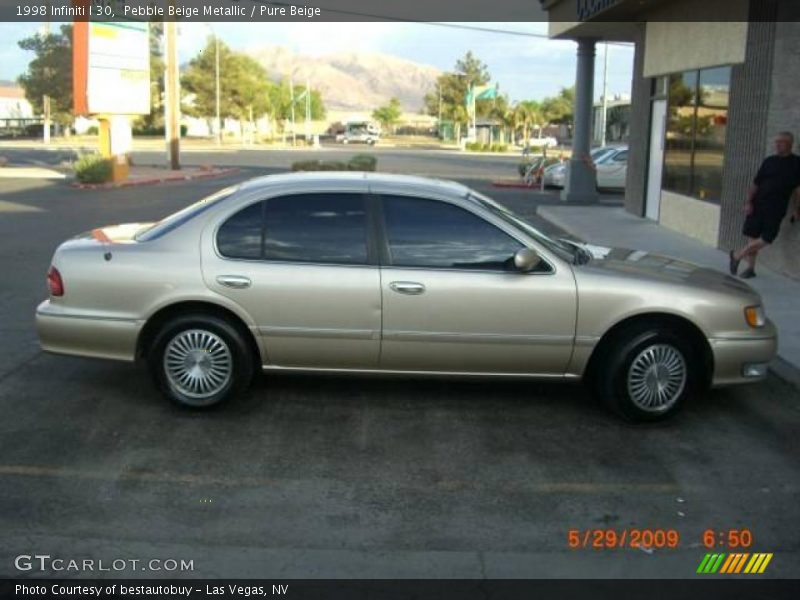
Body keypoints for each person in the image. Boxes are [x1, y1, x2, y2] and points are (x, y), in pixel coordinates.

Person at [729, 131, 800, 278]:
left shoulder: (797, 163)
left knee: (768, 238)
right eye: (777, 141)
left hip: (776, 207)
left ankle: (737, 255)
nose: (777, 144)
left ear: (790, 144)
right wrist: (748, 202)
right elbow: (756, 184)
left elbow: (798, 190)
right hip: (757, 204)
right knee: (753, 236)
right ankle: (750, 269)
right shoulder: (769, 161)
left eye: (781, 142)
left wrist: (797, 209)